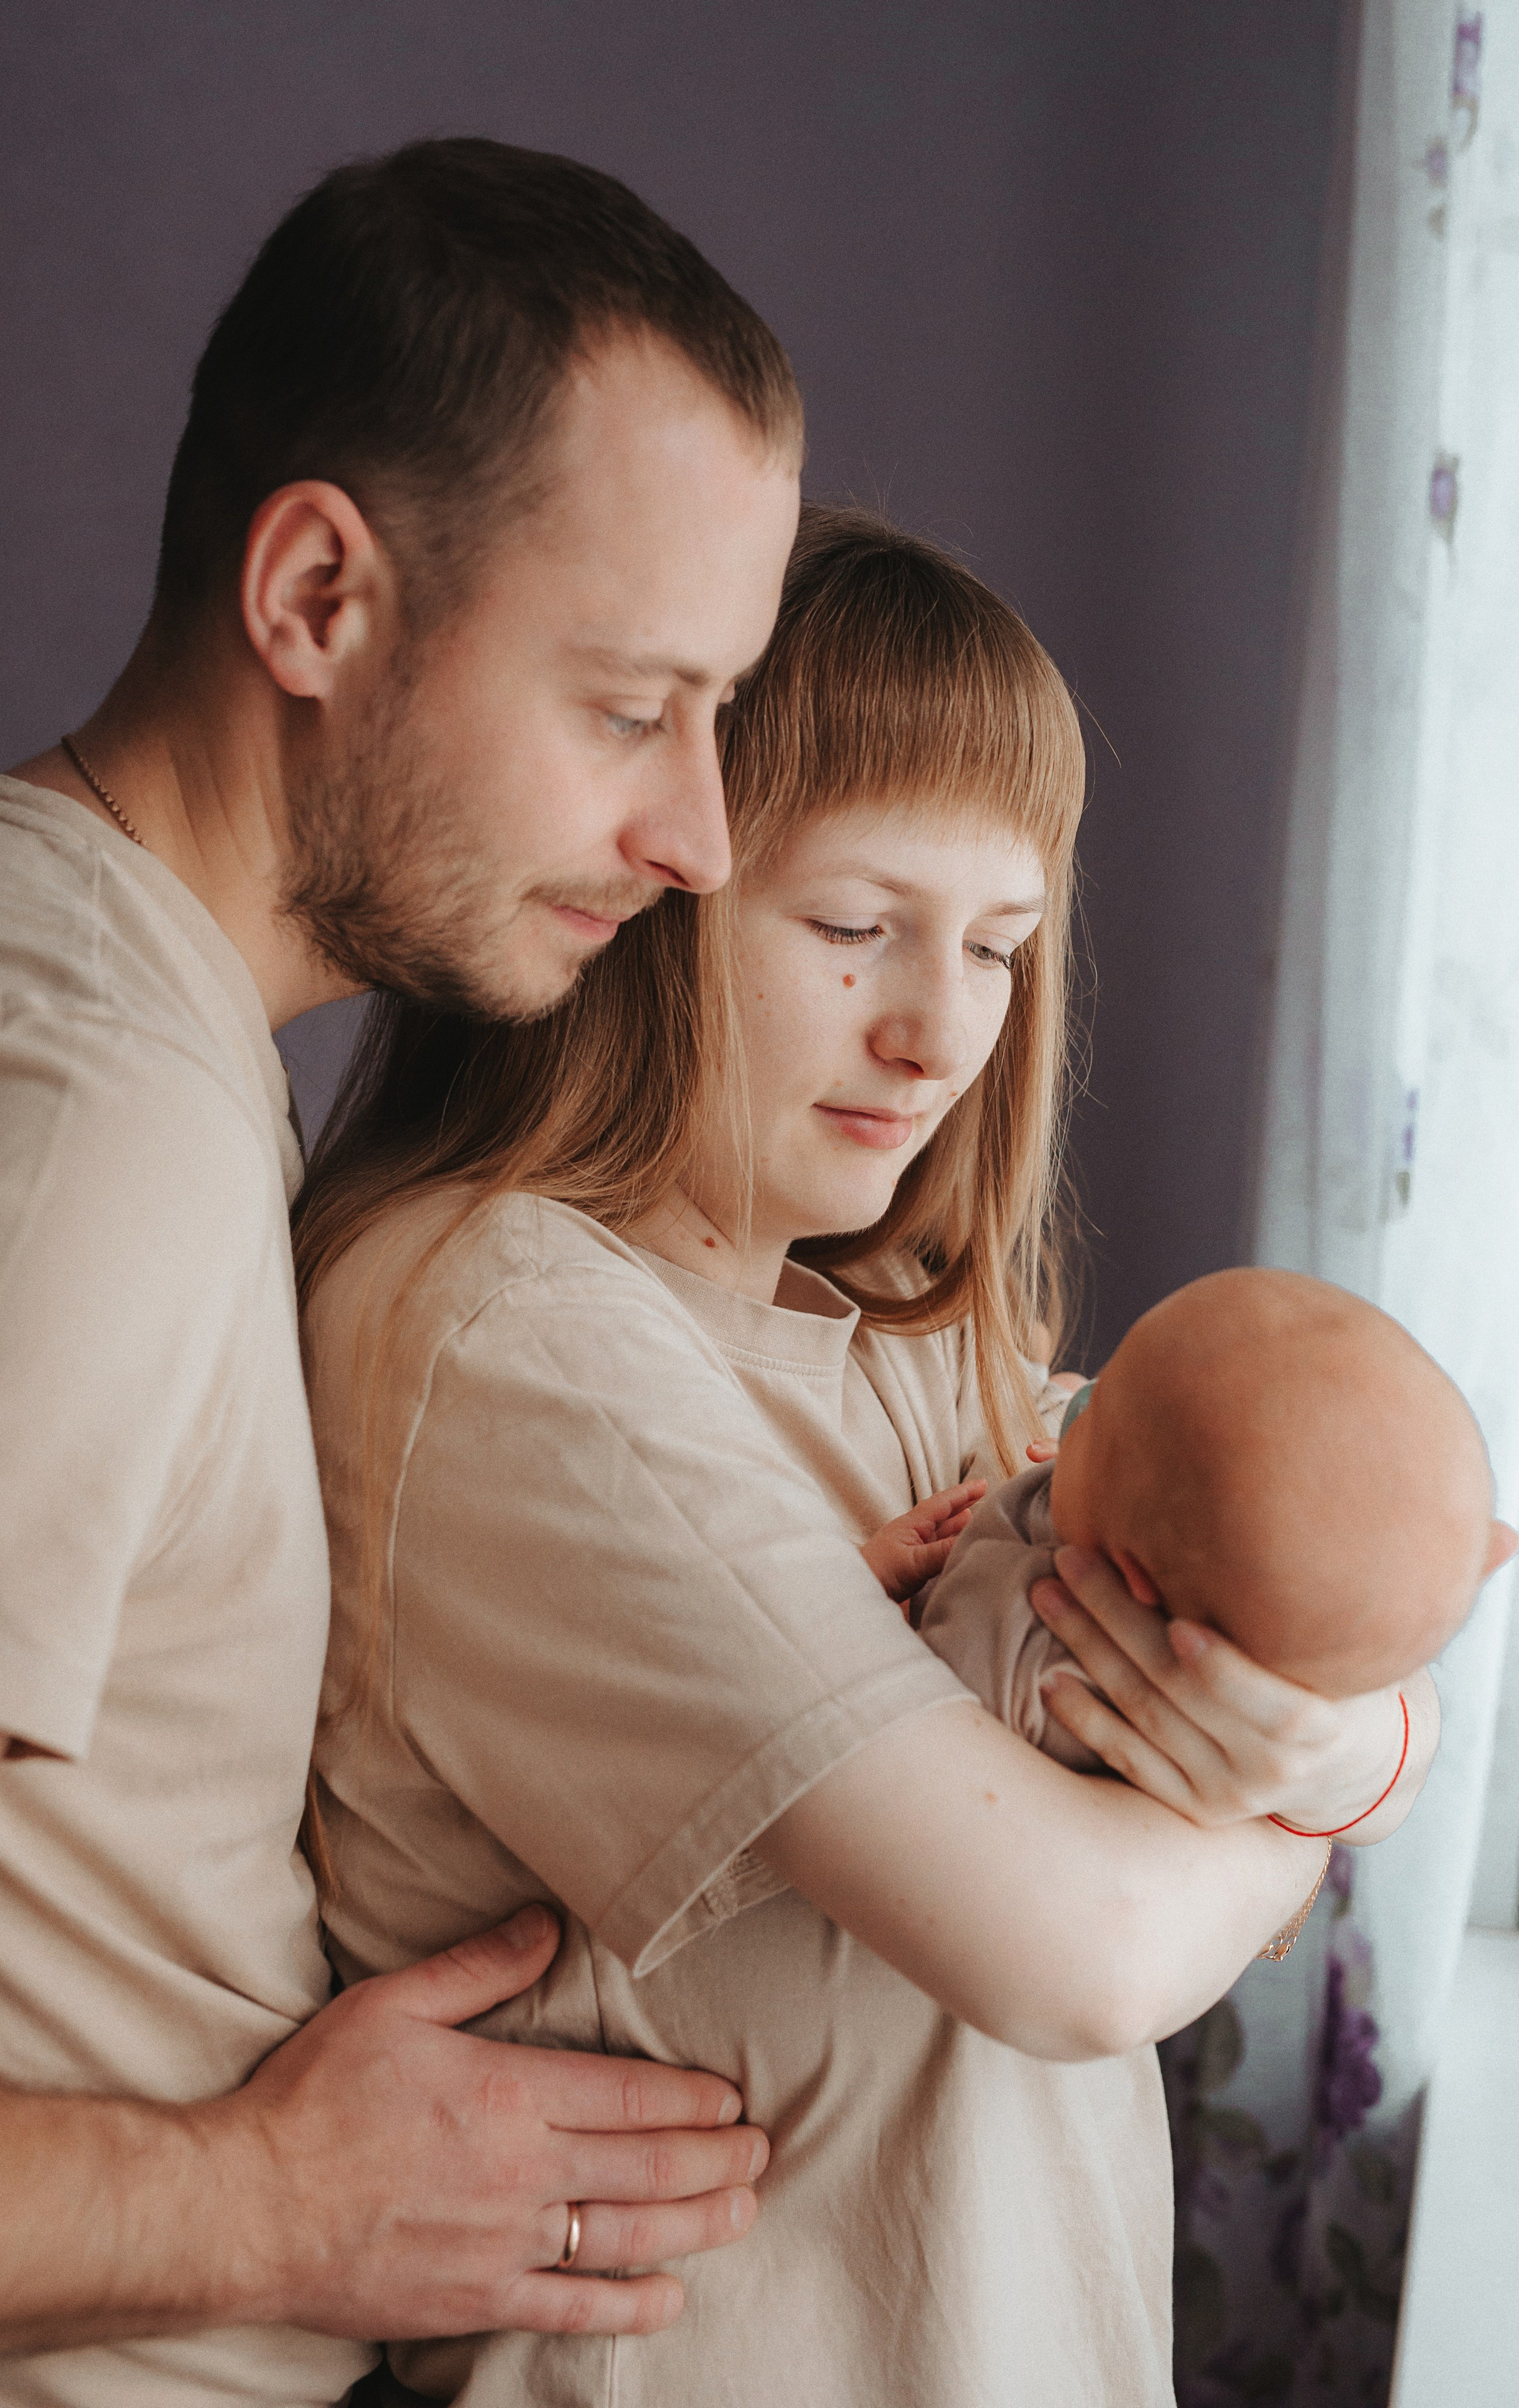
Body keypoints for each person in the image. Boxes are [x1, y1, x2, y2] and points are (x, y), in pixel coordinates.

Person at [295, 509, 1432, 2407]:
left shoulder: (907, 1345)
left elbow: (1333, 1611)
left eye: (996, 945)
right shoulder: (500, 1334)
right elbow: (1074, 1959)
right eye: (849, 928)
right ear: (635, 887)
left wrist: (1317, 1749)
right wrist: (1279, 1812)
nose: (934, 1032)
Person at [0, 139, 804, 2407]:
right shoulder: (87, 1134)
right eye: (627, 709)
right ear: (314, 598)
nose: (698, 840)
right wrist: (282, 2210)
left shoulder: (33, 966)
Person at [917, 1266, 1515, 1783]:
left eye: (1098, 1410)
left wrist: (892, 1588)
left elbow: (907, 1704)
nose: (1082, 1392)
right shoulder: (1262, 1639)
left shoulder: (1025, 1642)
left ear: (1128, 1577)